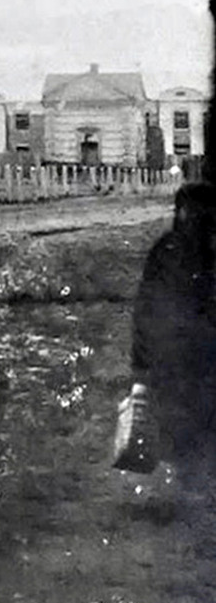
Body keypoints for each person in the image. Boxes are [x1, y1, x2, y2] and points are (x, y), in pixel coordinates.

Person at [130, 179, 216, 485]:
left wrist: (140, 370)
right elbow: (145, 311)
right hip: (187, 368)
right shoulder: (175, 252)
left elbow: (143, 312)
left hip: (182, 367)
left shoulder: (165, 250)